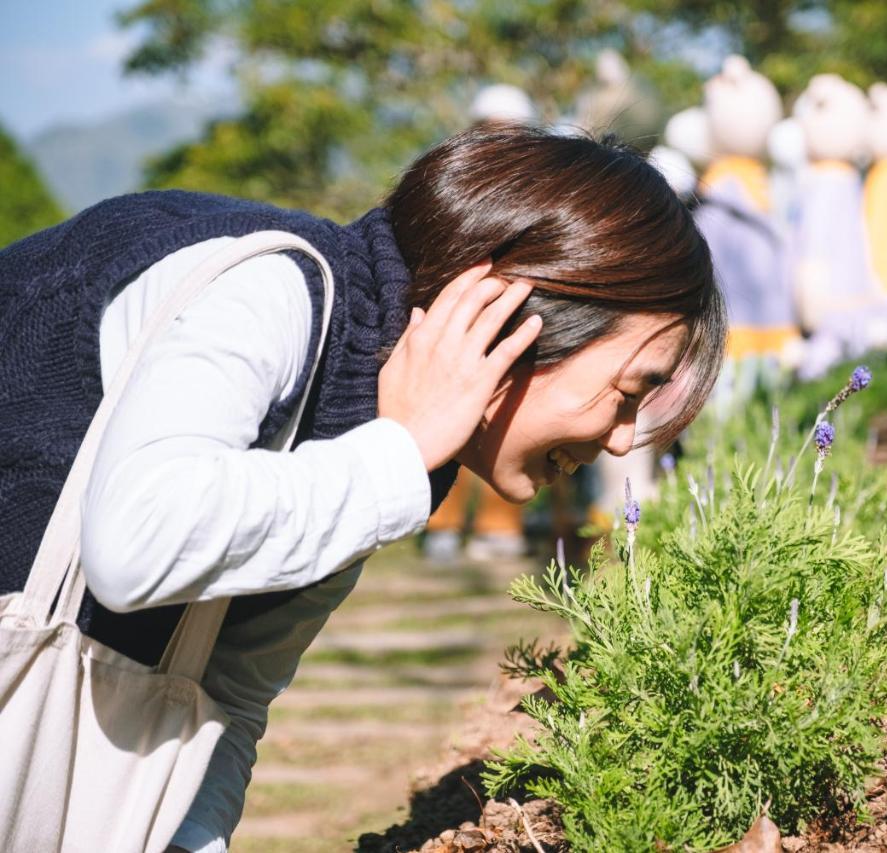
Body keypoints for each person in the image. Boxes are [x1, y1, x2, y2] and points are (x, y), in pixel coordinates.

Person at [0, 123, 725, 852]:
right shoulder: (266, 296)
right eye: (630, 391)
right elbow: (136, 541)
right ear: (512, 319)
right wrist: (399, 456)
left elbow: (228, 692)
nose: (623, 437)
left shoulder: (390, 433)